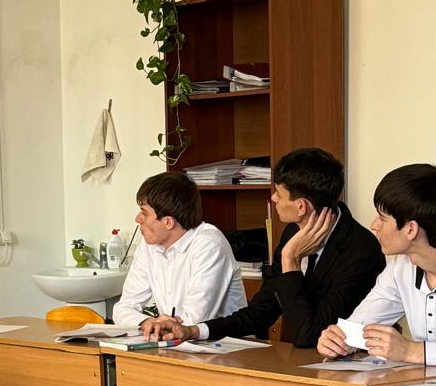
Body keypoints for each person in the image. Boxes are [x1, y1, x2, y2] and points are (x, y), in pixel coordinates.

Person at [145, 147, 384, 348]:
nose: (273, 199)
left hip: (347, 369)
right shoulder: (293, 231)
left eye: (279, 193)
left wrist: (290, 260)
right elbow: (261, 311)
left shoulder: (360, 252)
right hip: (296, 362)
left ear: (301, 207)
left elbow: (308, 335)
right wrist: (193, 331)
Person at [318, 163, 436, 363]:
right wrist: (337, 340)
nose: (374, 225)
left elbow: (411, 352)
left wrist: (411, 351)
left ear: (411, 229)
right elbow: (360, 327)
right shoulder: (400, 267)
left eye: (382, 218)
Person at [112, 172, 246, 333]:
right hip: (175, 342)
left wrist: (164, 325)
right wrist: (148, 322)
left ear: (168, 222)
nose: (138, 219)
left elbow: (194, 320)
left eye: (144, 213)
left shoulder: (209, 244)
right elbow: (123, 308)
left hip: (223, 344)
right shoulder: (149, 244)